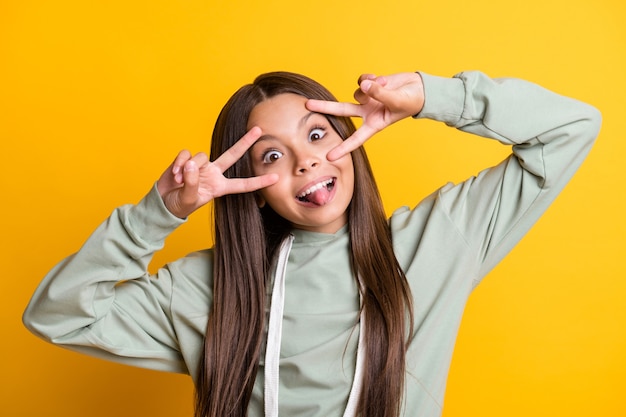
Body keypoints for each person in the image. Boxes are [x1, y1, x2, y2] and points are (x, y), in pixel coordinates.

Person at [23, 69, 601, 417]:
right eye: (272, 155)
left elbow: (571, 128)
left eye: (318, 134)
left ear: (349, 138)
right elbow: (59, 315)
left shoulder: (433, 244)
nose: (308, 162)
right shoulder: (210, 288)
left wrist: (432, 96)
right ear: (251, 190)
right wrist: (159, 213)